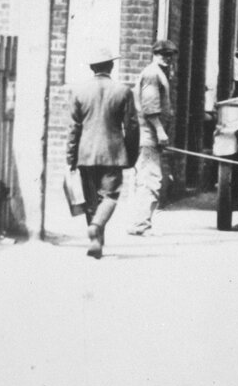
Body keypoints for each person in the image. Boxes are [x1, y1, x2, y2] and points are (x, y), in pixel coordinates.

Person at [66, 44, 140, 259]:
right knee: (110, 196)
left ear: (92, 68)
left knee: (91, 200)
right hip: (113, 153)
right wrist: (131, 156)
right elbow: (132, 127)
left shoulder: (78, 91)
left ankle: (96, 240)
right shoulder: (123, 91)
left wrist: (71, 157)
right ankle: (97, 227)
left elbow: (73, 128)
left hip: (85, 153)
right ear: (111, 66)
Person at [124, 39, 177, 237]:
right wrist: (161, 132)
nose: (167, 58)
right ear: (154, 55)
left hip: (147, 137)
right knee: (151, 180)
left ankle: (138, 222)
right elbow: (150, 106)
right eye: (163, 54)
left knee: (142, 180)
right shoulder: (152, 73)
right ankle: (141, 225)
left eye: (170, 55)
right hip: (148, 136)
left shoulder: (158, 73)